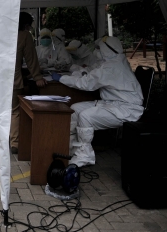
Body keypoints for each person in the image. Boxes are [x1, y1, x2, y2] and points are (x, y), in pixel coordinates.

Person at [51, 36, 143, 167]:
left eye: (99, 48)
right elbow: (92, 72)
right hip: (114, 103)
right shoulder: (114, 61)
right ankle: (71, 148)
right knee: (75, 108)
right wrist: (78, 72)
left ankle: (85, 155)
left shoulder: (111, 67)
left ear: (107, 50)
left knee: (86, 117)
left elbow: (86, 83)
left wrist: (62, 79)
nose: (97, 51)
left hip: (126, 109)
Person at [0, 12, 47, 153]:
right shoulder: (24, 36)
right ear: (26, 25)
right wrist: (37, 77)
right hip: (12, 80)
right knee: (14, 111)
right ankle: (14, 143)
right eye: (29, 26)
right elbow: (31, 59)